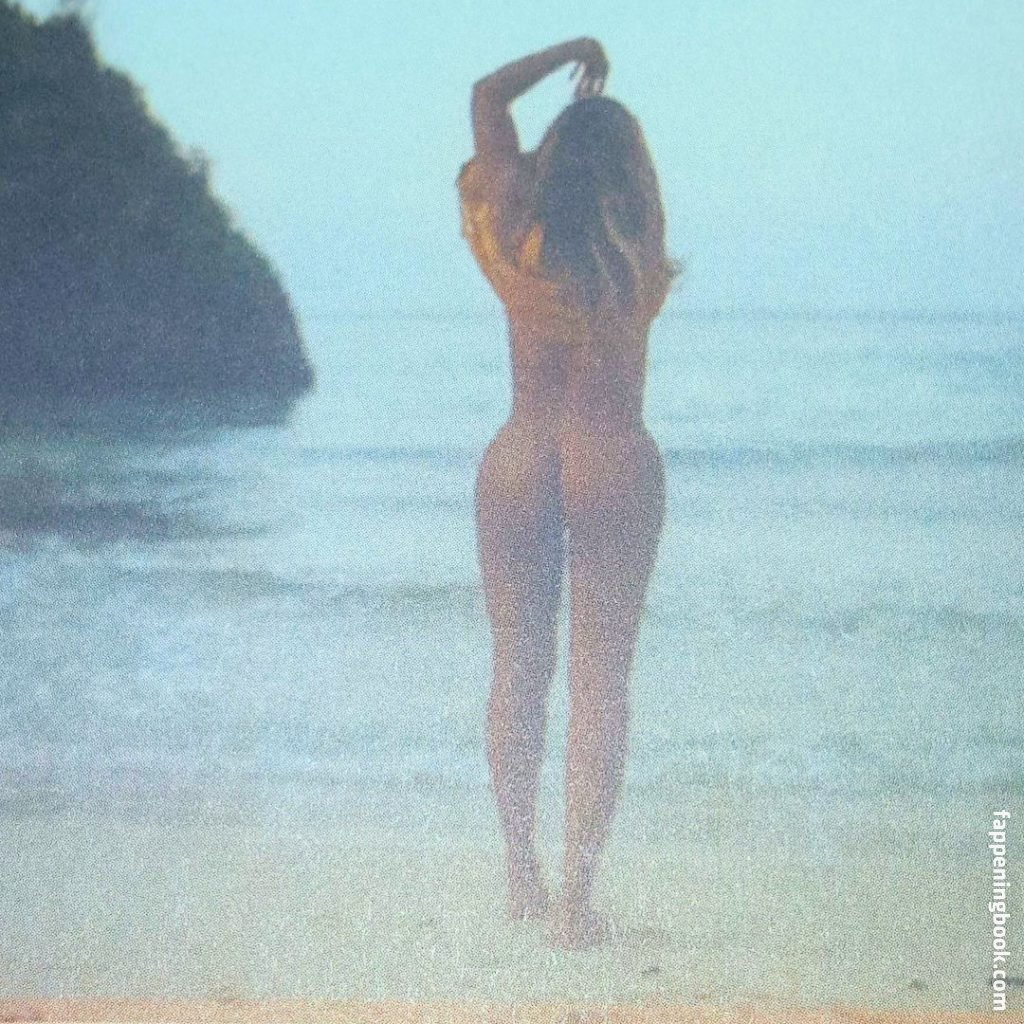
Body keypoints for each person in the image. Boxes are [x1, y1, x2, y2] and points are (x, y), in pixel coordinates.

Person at [457, 37, 677, 949]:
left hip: (521, 454)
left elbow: (486, 96)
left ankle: (521, 873)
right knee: (600, 680)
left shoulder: (516, 231)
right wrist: (607, 128)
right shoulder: (637, 242)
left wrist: (576, 56)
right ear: (629, 169)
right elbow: (620, 179)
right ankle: (576, 900)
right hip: (610, 455)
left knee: (517, 666)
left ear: (549, 161)